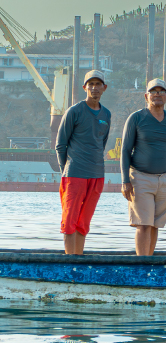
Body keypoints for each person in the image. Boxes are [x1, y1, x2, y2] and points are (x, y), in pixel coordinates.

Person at [119, 79, 166, 256]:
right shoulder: (136, 118)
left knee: (156, 224)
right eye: (153, 91)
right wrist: (125, 181)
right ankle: (142, 264)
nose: (157, 94)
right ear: (146, 96)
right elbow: (125, 151)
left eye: (161, 91)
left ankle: (149, 261)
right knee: (143, 223)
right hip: (140, 177)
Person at [55, 70, 112, 255]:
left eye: (98, 84)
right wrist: (66, 170)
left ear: (104, 88)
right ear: (84, 87)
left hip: (97, 174)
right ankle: (69, 260)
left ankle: (78, 259)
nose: (94, 88)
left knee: (84, 222)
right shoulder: (74, 111)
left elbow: (101, 143)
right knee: (69, 220)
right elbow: (60, 144)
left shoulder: (107, 114)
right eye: (91, 84)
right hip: (74, 174)